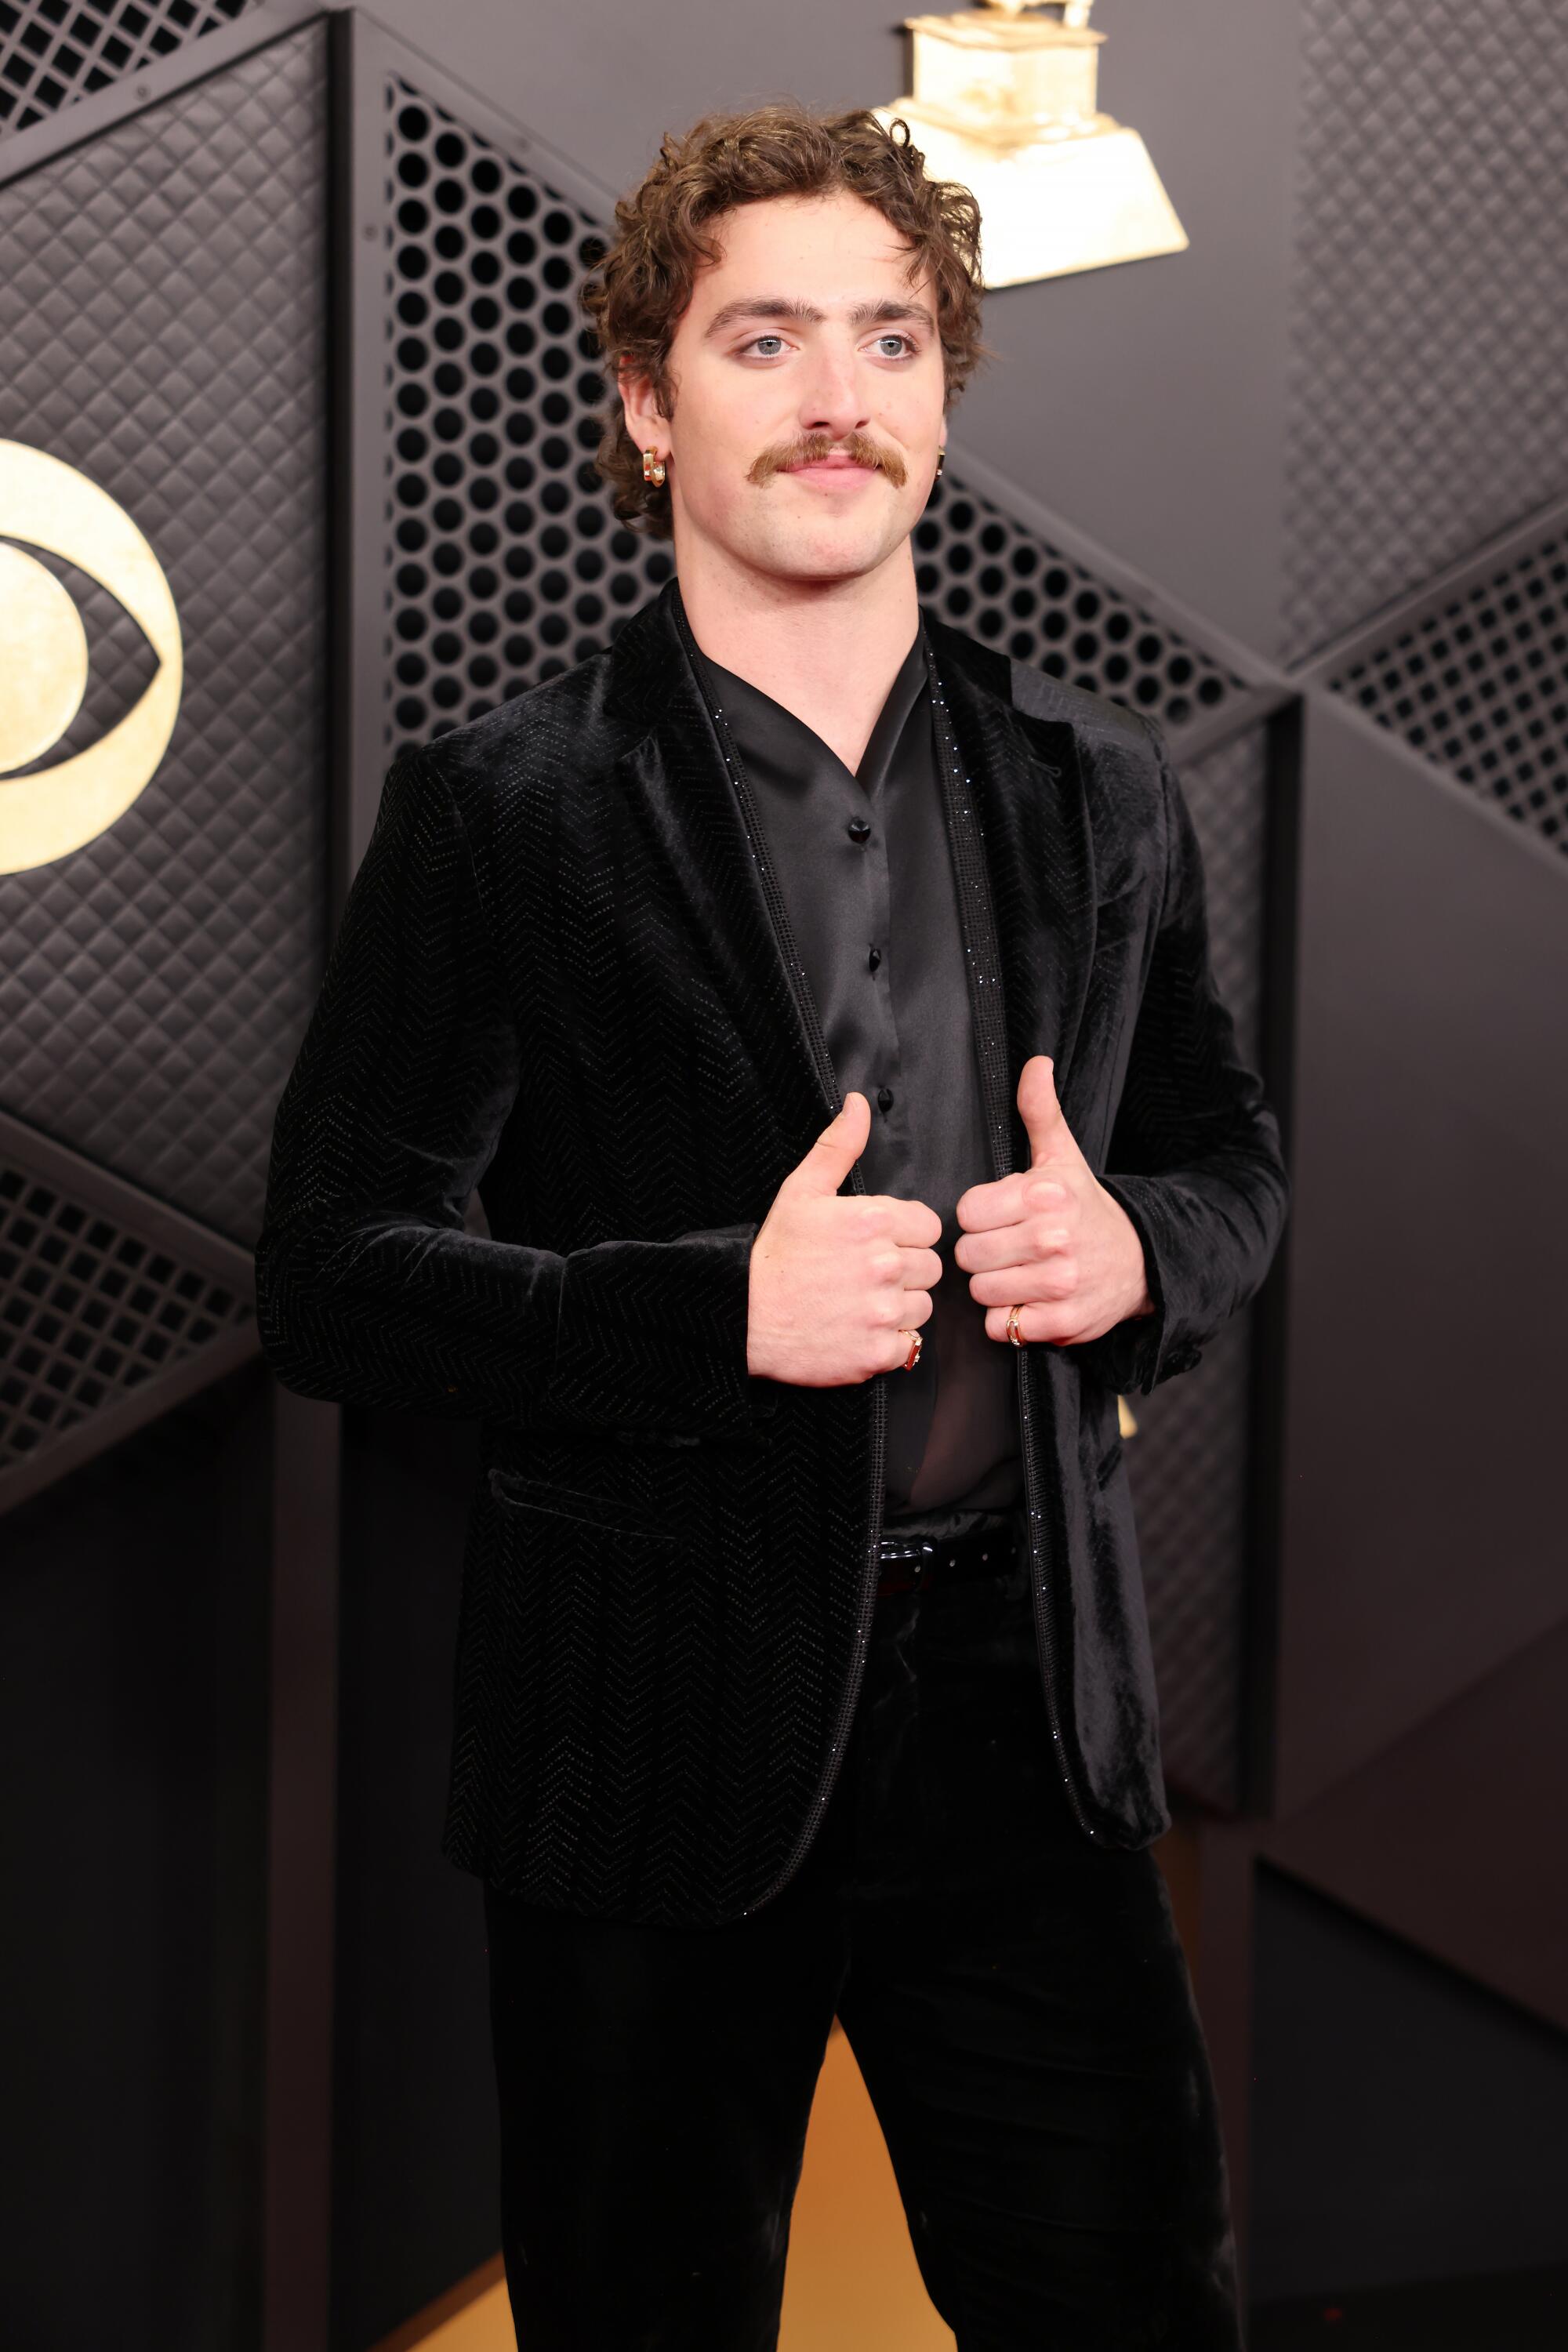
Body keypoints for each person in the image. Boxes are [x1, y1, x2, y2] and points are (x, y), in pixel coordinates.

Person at [255, 100, 1289, 2352]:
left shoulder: (1094, 788)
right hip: (649, 1733)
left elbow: (1225, 1160)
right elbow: (332, 1271)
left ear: (940, 390)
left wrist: (1139, 1263)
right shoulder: (500, 807)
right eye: (765, 340)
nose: (840, 395)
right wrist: (709, 1312)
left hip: (1034, 1714)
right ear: (647, 403)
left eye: (892, 338)